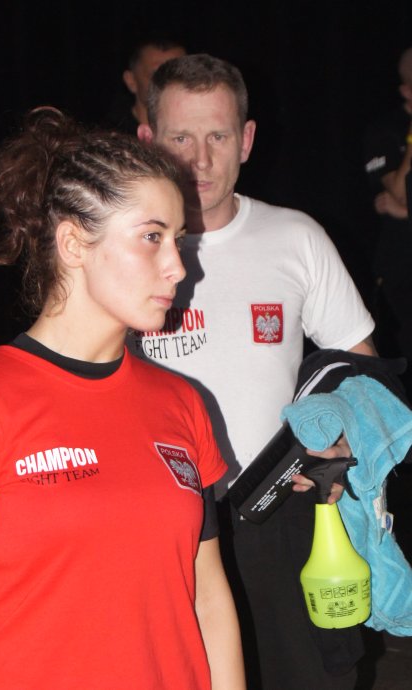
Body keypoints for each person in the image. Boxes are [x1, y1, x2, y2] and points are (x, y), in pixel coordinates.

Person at [0, 107, 245, 690]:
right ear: (72, 243)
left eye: (179, 240)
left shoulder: (182, 402)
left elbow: (209, 595)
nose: (177, 267)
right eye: (152, 238)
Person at [132, 54, 377, 689]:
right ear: (148, 139)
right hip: (161, 521)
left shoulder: (296, 238)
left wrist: (343, 443)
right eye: (180, 138)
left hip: (280, 511)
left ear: (246, 140)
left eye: (217, 136)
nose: (200, 160)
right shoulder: (121, 251)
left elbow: (364, 373)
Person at [364, 46, 412, 396]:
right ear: (406, 90)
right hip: (402, 271)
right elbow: (396, 190)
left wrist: (404, 211)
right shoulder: (385, 132)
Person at [106, 35, 186, 134]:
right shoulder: (113, 137)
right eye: (158, 76)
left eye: (179, 76)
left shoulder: (198, 129)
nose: (170, 84)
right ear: (131, 81)